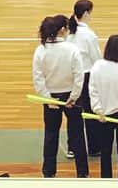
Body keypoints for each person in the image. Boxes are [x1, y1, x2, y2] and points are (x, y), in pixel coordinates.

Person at [32, 15, 88, 178]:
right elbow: (79, 75)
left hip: (51, 98)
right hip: (72, 97)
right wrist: (74, 96)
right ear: (62, 30)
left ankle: (48, 173)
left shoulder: (41, 50)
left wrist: (47, 98)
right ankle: (82, 173)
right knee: (77, 136)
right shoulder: (71, 49)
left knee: (51, 135)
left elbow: (38, 77)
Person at [88, 35, 118, 178]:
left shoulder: (97, 66)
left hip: (104, 116)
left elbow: (93, 90)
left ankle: (106, 179)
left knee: (105, 151)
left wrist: (98, 111)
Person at [68, 0, 102, 156]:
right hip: (87, 76)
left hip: (72, 76)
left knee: (73, 113)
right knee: (90, 111)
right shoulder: (88, 35)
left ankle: (72, 147)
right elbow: (96, 58)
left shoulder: (69, 32)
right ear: (86, 13)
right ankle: (94, 147)